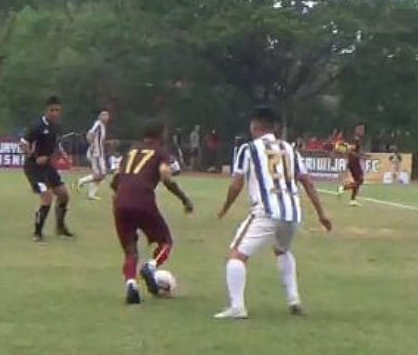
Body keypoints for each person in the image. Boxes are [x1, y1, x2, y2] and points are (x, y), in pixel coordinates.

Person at [214, 107, 332, 320]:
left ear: (254, 126)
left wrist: (225, 207)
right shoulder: (290, 149)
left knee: (236, 255)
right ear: (275, 127)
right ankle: (294, 299)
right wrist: (321, 213)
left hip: (266, 210)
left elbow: (237, 184)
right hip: (292, 212)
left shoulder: (249, 148)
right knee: (282, 251)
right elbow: (307, 181)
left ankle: (237, 307)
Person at [110, 121, 194, 304]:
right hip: (143, 201)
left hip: (120, 202)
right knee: (166, 242)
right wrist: (184, 199)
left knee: (130, 249)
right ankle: (151, 266)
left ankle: (131, 284)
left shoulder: (131, 151)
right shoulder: (160, 151)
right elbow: (166, 176)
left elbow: (114, 181)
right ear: (161, 134)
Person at [20, 96, 74, 242]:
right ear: (46, 110)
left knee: (64, 195)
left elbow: (56, 144)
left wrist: (63, 156)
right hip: (34, 168)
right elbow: (23, 143)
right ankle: (37, 232)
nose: (55, 113)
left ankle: (60, 227)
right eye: (52, 110)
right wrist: (33, 157)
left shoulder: (56, 127)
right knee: (47, 197)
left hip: (48, 167)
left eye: (58, 110)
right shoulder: (37, 126)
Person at [76, 109, 110, 200]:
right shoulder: (98, 124)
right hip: (96, 153)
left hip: (99, 153)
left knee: (101, 174)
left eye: (107, 115)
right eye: (104, 115)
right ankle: (81, 181)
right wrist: (92, 146)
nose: (106, 117)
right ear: (99, 116)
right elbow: (90, 134)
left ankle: (91, 194)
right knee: (100, 174)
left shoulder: (103, 126)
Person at [337, 123, 366, 207]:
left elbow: (355, 150)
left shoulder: (357, 139)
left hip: (353, 162)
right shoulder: (356, 139)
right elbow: (350, 151)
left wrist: (362, 154)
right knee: (360, 180)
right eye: (361, 130)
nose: (363, 132)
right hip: (354, 162)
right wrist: (359, 156)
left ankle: (353, 200)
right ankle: (343, 188)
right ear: (357, 130)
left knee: (358, 181)